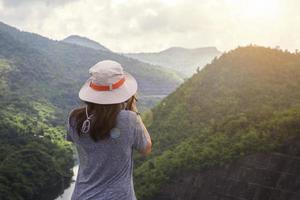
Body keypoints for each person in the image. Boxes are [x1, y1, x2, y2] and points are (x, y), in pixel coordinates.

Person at [65, 60, 152, 200]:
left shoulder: (74, 118)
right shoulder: (129, 119)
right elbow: (146, 148)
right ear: (123, 93)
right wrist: (134, 110)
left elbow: (80, 139)